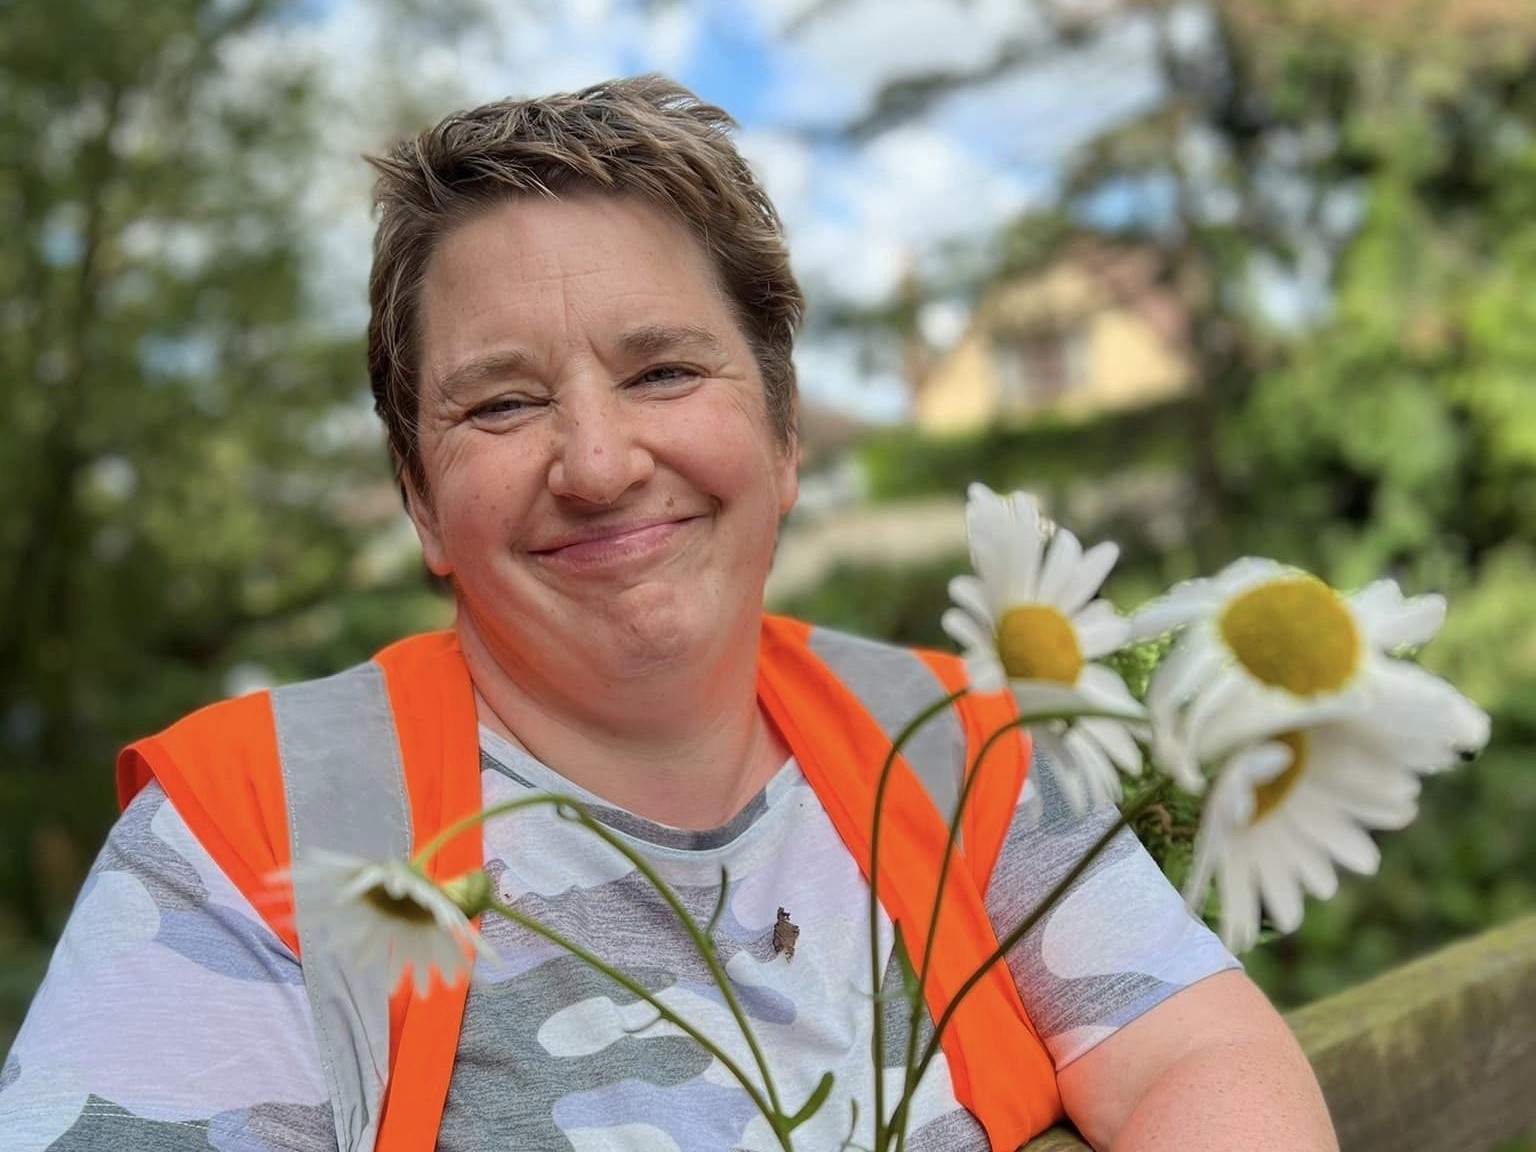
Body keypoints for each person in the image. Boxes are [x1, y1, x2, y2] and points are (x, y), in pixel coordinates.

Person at [0, 77, 1337, 1151]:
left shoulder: (954, 747)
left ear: (784, 431)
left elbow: (1201, 1054)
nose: (595, 460)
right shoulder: (248, 840)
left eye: (661, 369)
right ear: (420, 499)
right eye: (503, 402)